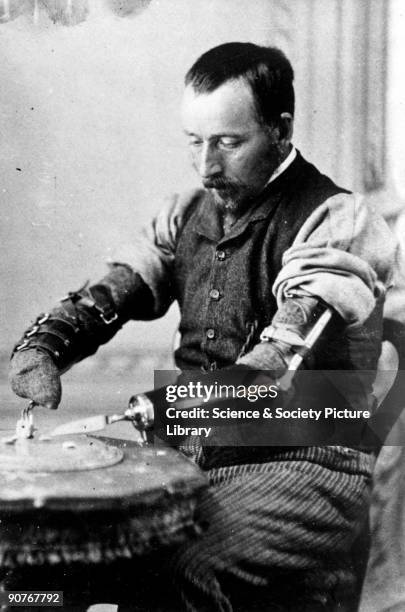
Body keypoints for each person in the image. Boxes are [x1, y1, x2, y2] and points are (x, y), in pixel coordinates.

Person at [9, 43, 396, 610]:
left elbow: (272, 373)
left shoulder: (335, 219)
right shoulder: (188, 212)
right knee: (39, 581)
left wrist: (169, 404)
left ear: (281, 130)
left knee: (179, 575)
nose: (207, 166)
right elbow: (114, 291)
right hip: (190, 462)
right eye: (196, 142)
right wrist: (48, 342)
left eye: (229, 143)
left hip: (305, 466)